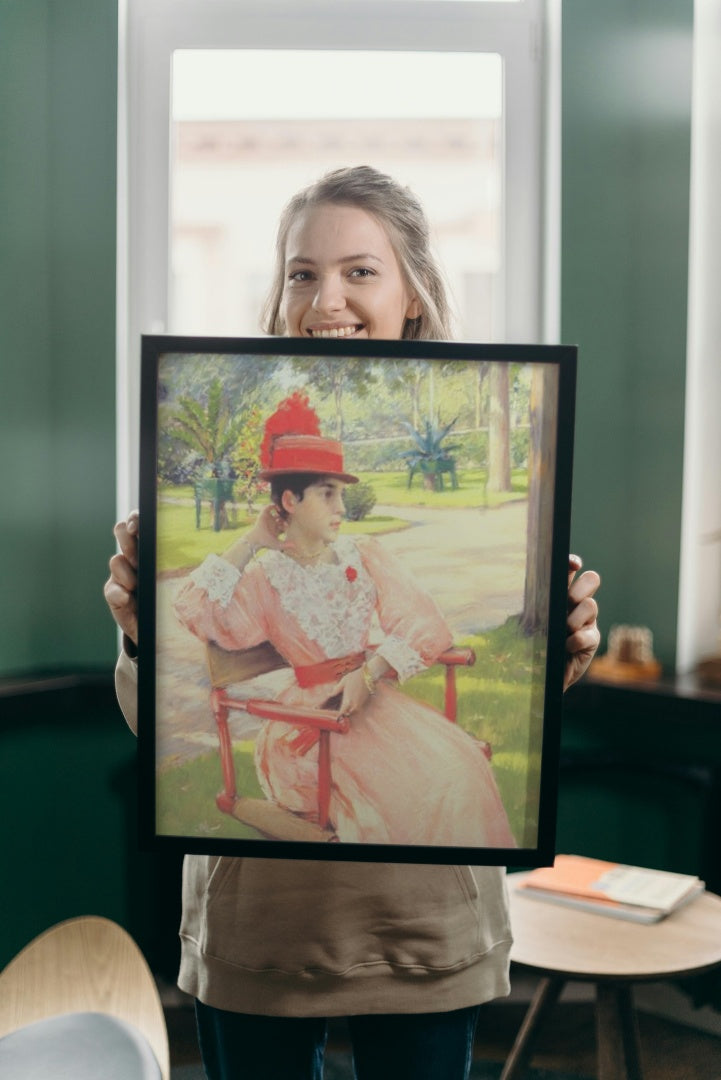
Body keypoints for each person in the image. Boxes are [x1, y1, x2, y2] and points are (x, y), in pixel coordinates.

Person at [105, 166, 601, 1080]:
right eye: (301, 272)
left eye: (359, 272)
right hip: (265, 920)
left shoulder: (367, 555)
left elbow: (421, 622)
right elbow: (175, 677)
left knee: (449, 766)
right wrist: (146, 626)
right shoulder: (252, 571)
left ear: (412, 293)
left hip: (418, 921)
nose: (324, 298)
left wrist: (557, 660)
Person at [172, 390, 516, 849]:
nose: (341, 508)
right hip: (310, 727)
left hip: (370, 706)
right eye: (327, 494)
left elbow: (426, 624)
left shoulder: (363, 555)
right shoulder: (263, 579)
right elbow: (191, 607)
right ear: (290, 500)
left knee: (458, 770)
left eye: (342, 495)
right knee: (403, 796)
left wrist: (370, 671)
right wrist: (250, 542)